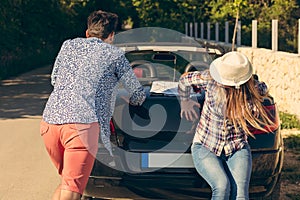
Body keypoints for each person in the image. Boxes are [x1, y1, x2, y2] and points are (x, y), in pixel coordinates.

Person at [40, 10, 145, 200]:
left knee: (68, 183)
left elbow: (55, 79)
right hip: (81, 126)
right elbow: (137, 95)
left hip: (50, 123)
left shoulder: (68, 45)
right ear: (111, 36)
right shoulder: (115, 54)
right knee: (72, 189)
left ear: (87, 32)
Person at [178, 51, 274, 200]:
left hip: (237, 148)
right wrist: (184, 101)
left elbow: (264, 88)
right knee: (222, 187)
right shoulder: (209, 79)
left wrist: (255, 99)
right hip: (205, 146)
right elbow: (185, 80)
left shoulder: (251, 90)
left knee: (240, 195)